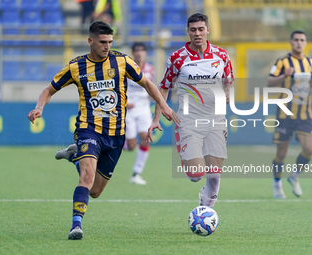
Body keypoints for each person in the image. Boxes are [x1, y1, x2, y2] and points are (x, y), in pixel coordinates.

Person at [27, 21, 177, 240]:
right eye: (102, 42)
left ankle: (74, 156)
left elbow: (147, 84)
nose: (107, 46)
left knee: (95, 191)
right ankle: (76, 225)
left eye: (110, 42)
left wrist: (164, 105)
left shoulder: (122, 61)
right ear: (90, 41)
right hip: (89, 130)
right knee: (86, 178)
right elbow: (49, 90)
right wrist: (39, 107)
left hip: (116, 135)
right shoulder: (76, 66)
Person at [146, 13, 234, 208]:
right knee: (195, 175)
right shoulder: (177, 58)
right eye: (193, 30)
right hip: (188, 122)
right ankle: (186, 153)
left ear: (208, 31)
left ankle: (205, 212)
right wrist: (157, 118)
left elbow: (229, 81)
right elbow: (164, 87)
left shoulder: (221, 56)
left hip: (216, 120)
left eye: (201, 29)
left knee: (214, 176)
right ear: (188, 32)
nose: (197, 33)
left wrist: (228, 93)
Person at [267, 30, 312, 199]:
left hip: (305, 114)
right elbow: (270, 82)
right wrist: (285, 75)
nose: (299, 43)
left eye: (302, 40)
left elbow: (311, 82)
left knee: (309, 149)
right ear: (291, 42)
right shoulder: (282, 61)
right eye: (296, 40)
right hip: (285, 114)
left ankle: (294, 175)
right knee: (281, 153)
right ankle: (277, 183)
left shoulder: (310, 62)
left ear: (306, 43)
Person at [125, 42, 154, 185]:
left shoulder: (149, 69)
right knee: (130, 147)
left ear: (145, 53)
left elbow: (150, 87)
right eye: (136, 50)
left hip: (144, 108)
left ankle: (136, 173)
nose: (139, 53)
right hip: (129, 109)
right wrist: (124, 103)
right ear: (132, 52)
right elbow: (118, 88)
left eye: (141, 50)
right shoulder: (126, 68)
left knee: (145, 138)